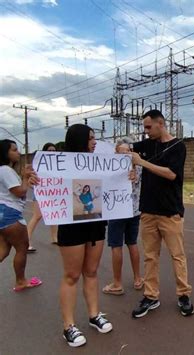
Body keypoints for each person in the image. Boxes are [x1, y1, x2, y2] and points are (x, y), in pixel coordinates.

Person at [34, 125, 113, 347]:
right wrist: (32, 179)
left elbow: (114, 183)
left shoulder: (99, 163)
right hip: (71, 225)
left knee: (91, 271)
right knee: (72, 275)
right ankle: (68, 326)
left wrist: (128, 175)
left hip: (95, 222)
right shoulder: (59, 165)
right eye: (90, 138)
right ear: (78, 140)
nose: (94, 142)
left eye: (95, 138)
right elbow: (43, 181)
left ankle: (94, 314)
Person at [130, 110, 194, 318]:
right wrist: (124, 150)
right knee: (150, 257)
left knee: (177, 256)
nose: (145, 131)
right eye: (144, 127)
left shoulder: (178, 146)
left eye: (148, 127)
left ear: (161, 124)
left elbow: (170, 174)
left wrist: (141, 162)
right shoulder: (147, 144)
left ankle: (183, 295)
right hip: (148, 211)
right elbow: (125, 149)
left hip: (170, 212)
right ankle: (150, 296)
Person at [102, 139, 143, 296]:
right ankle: (138, 278)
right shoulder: (139, 167)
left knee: (116, 245)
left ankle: (117, 283)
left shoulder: (112, 168)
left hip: (117, 211)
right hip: (134, 211)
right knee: (132, 243)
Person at [0, 139, 41, 292]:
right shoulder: (5, 170)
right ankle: (21, 281)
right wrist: (24, 178)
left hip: (4, 213)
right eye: (14, 150)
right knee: (22, 248)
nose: (18, 152)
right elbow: (20, 192)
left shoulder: (4, 170)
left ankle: (21, 280)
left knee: (3, 249)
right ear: (6, 153)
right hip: (10, 213)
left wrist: (26, 180)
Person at [27, 142, 58, 252]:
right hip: (40, 192)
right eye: (49, 151)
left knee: (54, 215)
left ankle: (55, 237)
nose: (52, 153)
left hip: (54, 192)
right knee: (37, 216)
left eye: (54, 151)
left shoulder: (58, 165)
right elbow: (30, 179)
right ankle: (27, 241)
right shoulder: (37, 165)